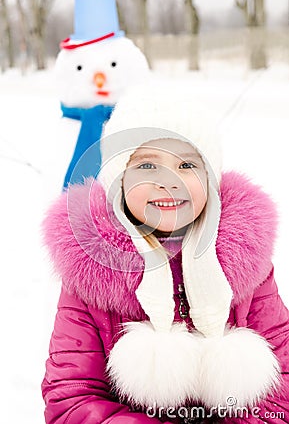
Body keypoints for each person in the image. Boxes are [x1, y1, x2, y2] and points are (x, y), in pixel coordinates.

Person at [42, 85, 289, 424]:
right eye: (146, 166)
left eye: (187, 164)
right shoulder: (90, 272)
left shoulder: (249, 263)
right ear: (120, 180)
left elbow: (282, 384)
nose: (169, 182)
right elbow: (71, 398)